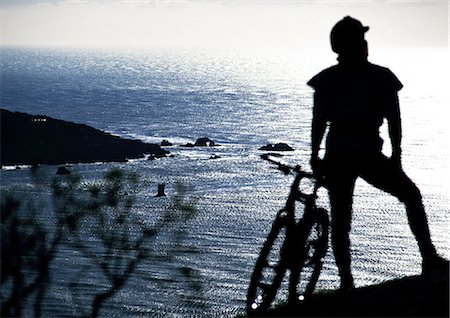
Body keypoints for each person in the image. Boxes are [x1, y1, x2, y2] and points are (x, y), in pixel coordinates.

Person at [307, 16, 448, 290]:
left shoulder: (327, 80)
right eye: (360, 39)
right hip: (367, 152)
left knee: (340, 220)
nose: (365, 44)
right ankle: (428, 257)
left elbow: (318, 122)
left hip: (339, 153)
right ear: (351, 45)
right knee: (410, 196)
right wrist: (396, 156)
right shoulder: (381, 78)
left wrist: (316, 156)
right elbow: (394, 119)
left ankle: (347, 281)